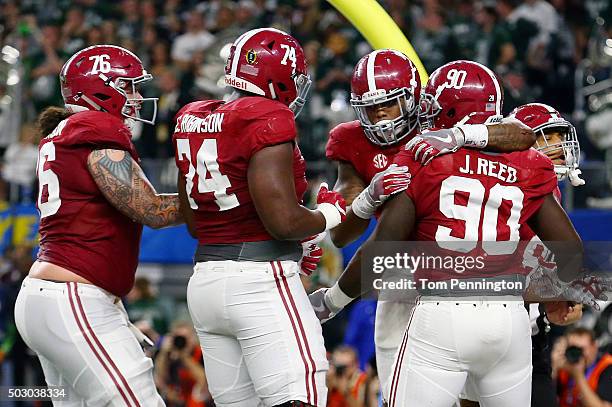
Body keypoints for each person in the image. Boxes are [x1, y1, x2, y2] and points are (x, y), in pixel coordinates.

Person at [313, 60, 585, 406]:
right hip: (506, 315)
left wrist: (331, 300)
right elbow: (571, 253)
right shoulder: (526, 162)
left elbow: (382, 251)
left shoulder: (421, 156)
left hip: (437, 307)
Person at [173, 27, 350, 407]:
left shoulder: (191, 117)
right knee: (299, 397)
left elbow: (193, 220)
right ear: (277, 76)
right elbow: (283, 222)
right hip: (259, 281)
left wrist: (299, 243)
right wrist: (327, 216)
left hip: (205, 281)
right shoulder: (266, 117)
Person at [14, 44, 183, 406]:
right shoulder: (95, 129)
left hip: (56, 295)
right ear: (102, 89)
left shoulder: (68, 130)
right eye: (129, 87)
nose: (138, 97)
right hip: (73, 298)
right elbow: (150, 208)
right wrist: (218, 198)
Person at [554, 327, 612, 407]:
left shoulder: (607, 366)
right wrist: (553, 368)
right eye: (572, 349)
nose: (577, 354)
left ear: (594, 347)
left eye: (581, 349)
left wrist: (578, 376)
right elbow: (545, 398)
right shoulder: (565, 365)